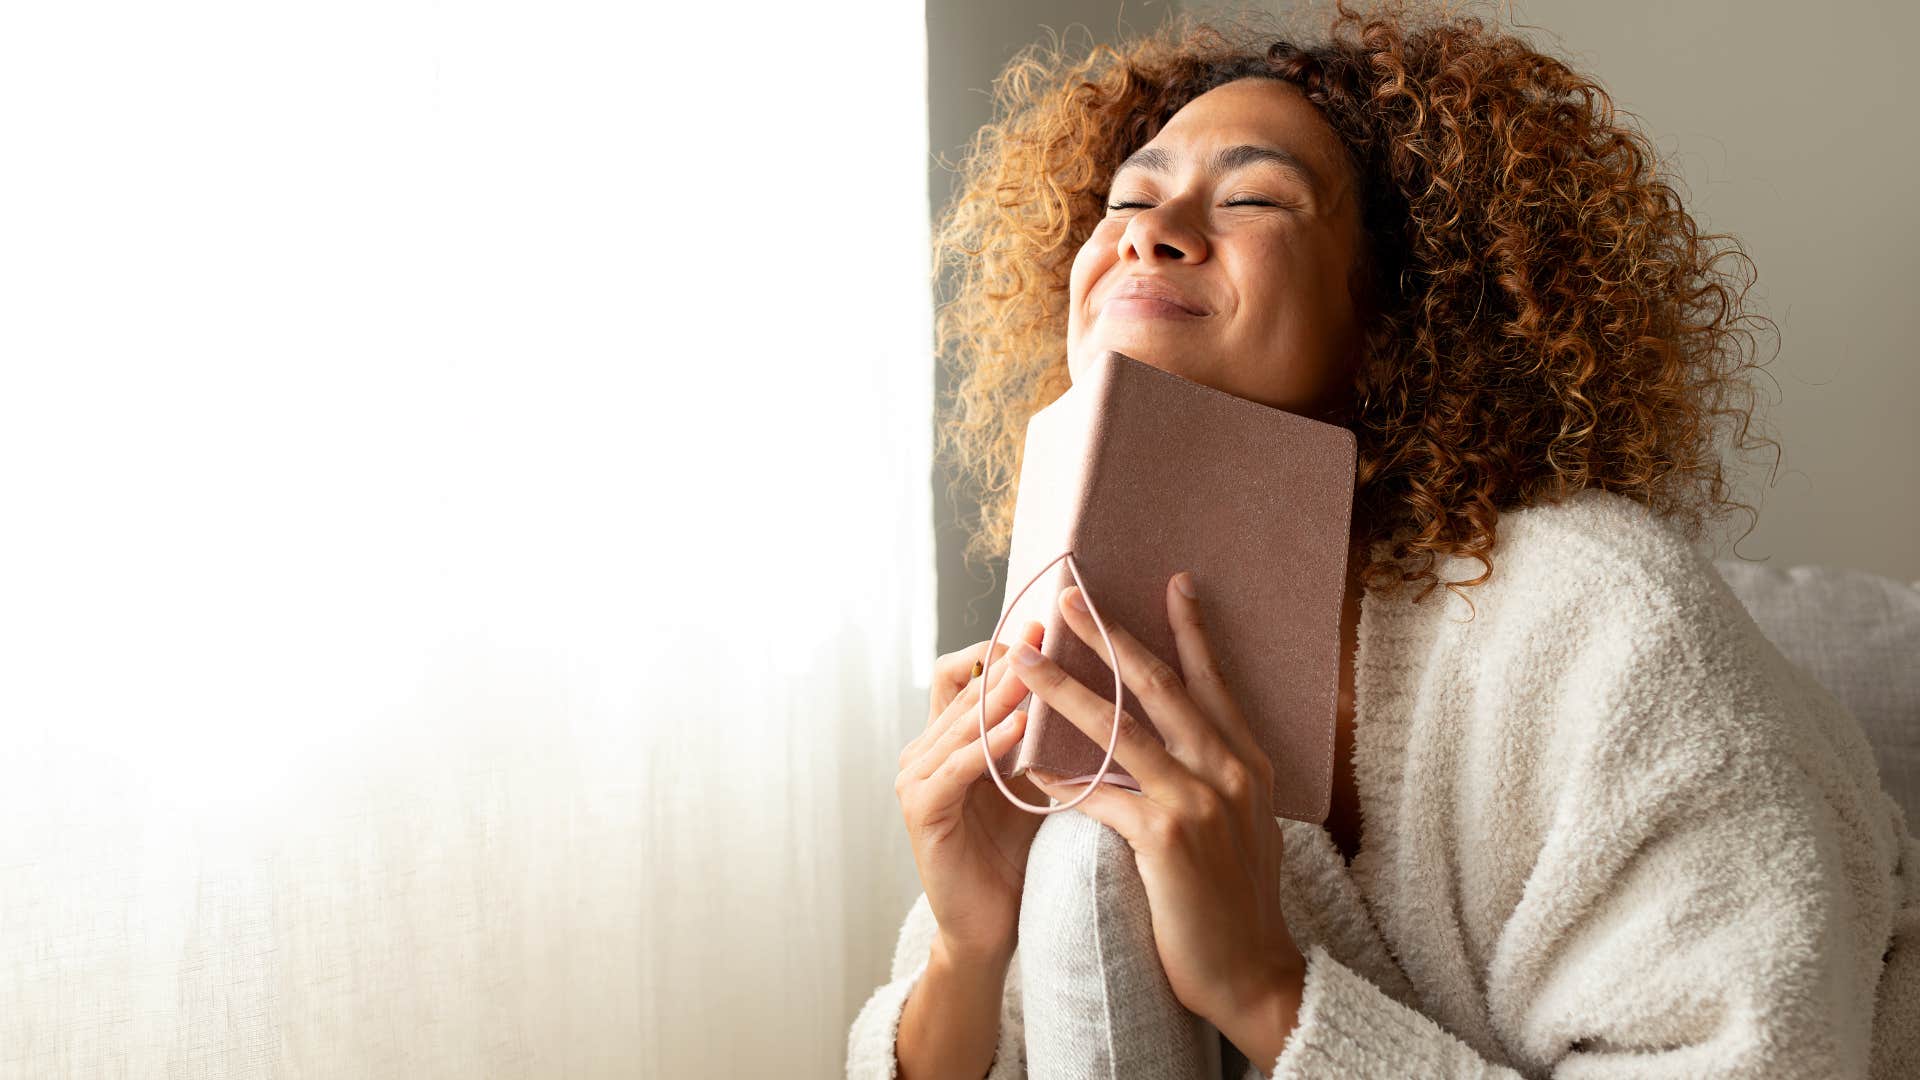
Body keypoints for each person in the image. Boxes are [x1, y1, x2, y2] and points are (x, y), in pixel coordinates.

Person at [848, 2, 1919, 1076]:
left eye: (1255, 196)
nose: (1147, 228)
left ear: (1404, 308)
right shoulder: (1090, 608)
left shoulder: (1605, 624)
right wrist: (965, 950)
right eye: (1128, 197)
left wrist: (1262, 985)